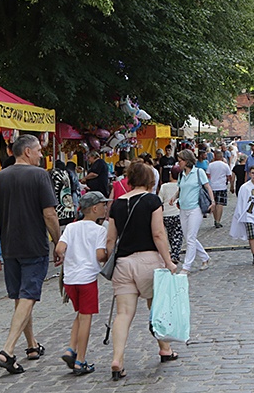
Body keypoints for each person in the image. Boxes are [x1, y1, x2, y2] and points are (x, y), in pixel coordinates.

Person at [0, 134, 61, 375]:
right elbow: (49, 214)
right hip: (33, 246)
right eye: (38, 150)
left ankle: (31, 346)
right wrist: (58, 242)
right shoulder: (40, 176)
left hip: (10, 248)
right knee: (28, 295)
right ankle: (7, 350)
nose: (41, 154)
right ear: (27, 152)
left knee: (21, 298)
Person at [107, 162, 179, 381]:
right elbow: (158, 234)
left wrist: (107, 258)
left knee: (123, 314)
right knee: (155, 307)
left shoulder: (117, 204)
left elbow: (111, 238)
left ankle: (117, 359)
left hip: (123, 263)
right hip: (148, 261)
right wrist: (169, 261)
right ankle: (165, 348)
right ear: (150, 180)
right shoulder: (152, 201)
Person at [54, 191, 110, 376]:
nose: (105, 207)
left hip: (70, 280)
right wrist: (109, 254)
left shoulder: (71, 227)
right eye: (103, 205)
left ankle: (71, 348)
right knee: (86, 318)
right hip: (87, 279)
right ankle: (80, 360)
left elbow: (60, 248)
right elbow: (100, 255)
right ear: (94, 209)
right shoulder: (100, 230)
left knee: (80, 314)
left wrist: (64, 255)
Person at [176, 149, 214, 274]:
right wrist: (174, 197)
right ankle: (205, 258)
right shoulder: (181, 174)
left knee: (191, 238)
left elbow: (207, 187)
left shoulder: (198, 172)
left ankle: (187, 266)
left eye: (180, 160)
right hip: (183, 208)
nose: (178, 163)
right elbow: (180, 188)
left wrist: (212, 202)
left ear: (186, 161)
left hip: (195, 208)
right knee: (189, 237)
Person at [158, 166, 183, 264]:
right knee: (178, 234)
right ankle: (175, 254)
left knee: (171, 234)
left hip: (166, 215)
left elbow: (160, 200)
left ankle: (173, 252)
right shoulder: (181, 185)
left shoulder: (164, 186)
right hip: (177, 213)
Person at [207, 150, 233, 228]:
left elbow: (207, 174)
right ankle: (218, 220)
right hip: (222, 186)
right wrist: (230, 183)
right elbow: (229, 175)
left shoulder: (211, 165)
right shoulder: (225, 165)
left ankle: (215, 219)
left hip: (212, 186)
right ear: (222, 157)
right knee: (220, 204)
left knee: (214, 203)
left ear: (214, 156)